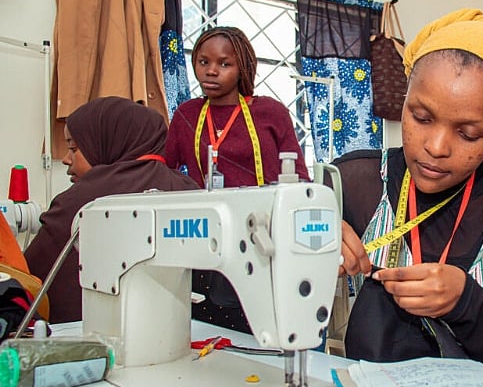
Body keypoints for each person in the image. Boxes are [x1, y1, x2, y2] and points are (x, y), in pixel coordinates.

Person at [336, 8, 483, 376]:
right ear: (404, 100)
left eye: (468, 134)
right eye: (421, 117)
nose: (436, 147)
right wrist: (302, 244)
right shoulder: (354, 180)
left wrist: (465, 303)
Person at [164, 26, 309, 333]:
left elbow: (300, 177)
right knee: (210, 329)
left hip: (263, 235)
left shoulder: (270, 112)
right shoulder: (187, 115)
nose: (211, 71)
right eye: (203, 62)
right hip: (207, 236)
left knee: (260, 324)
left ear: (242, 67)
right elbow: (165, 172)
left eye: (224, 64)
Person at [24, 97, 199, 323]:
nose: (67, 159)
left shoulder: (80, 201)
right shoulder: (189, 190)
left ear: (107, 142)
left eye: (73, 148)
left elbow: (26, 281)